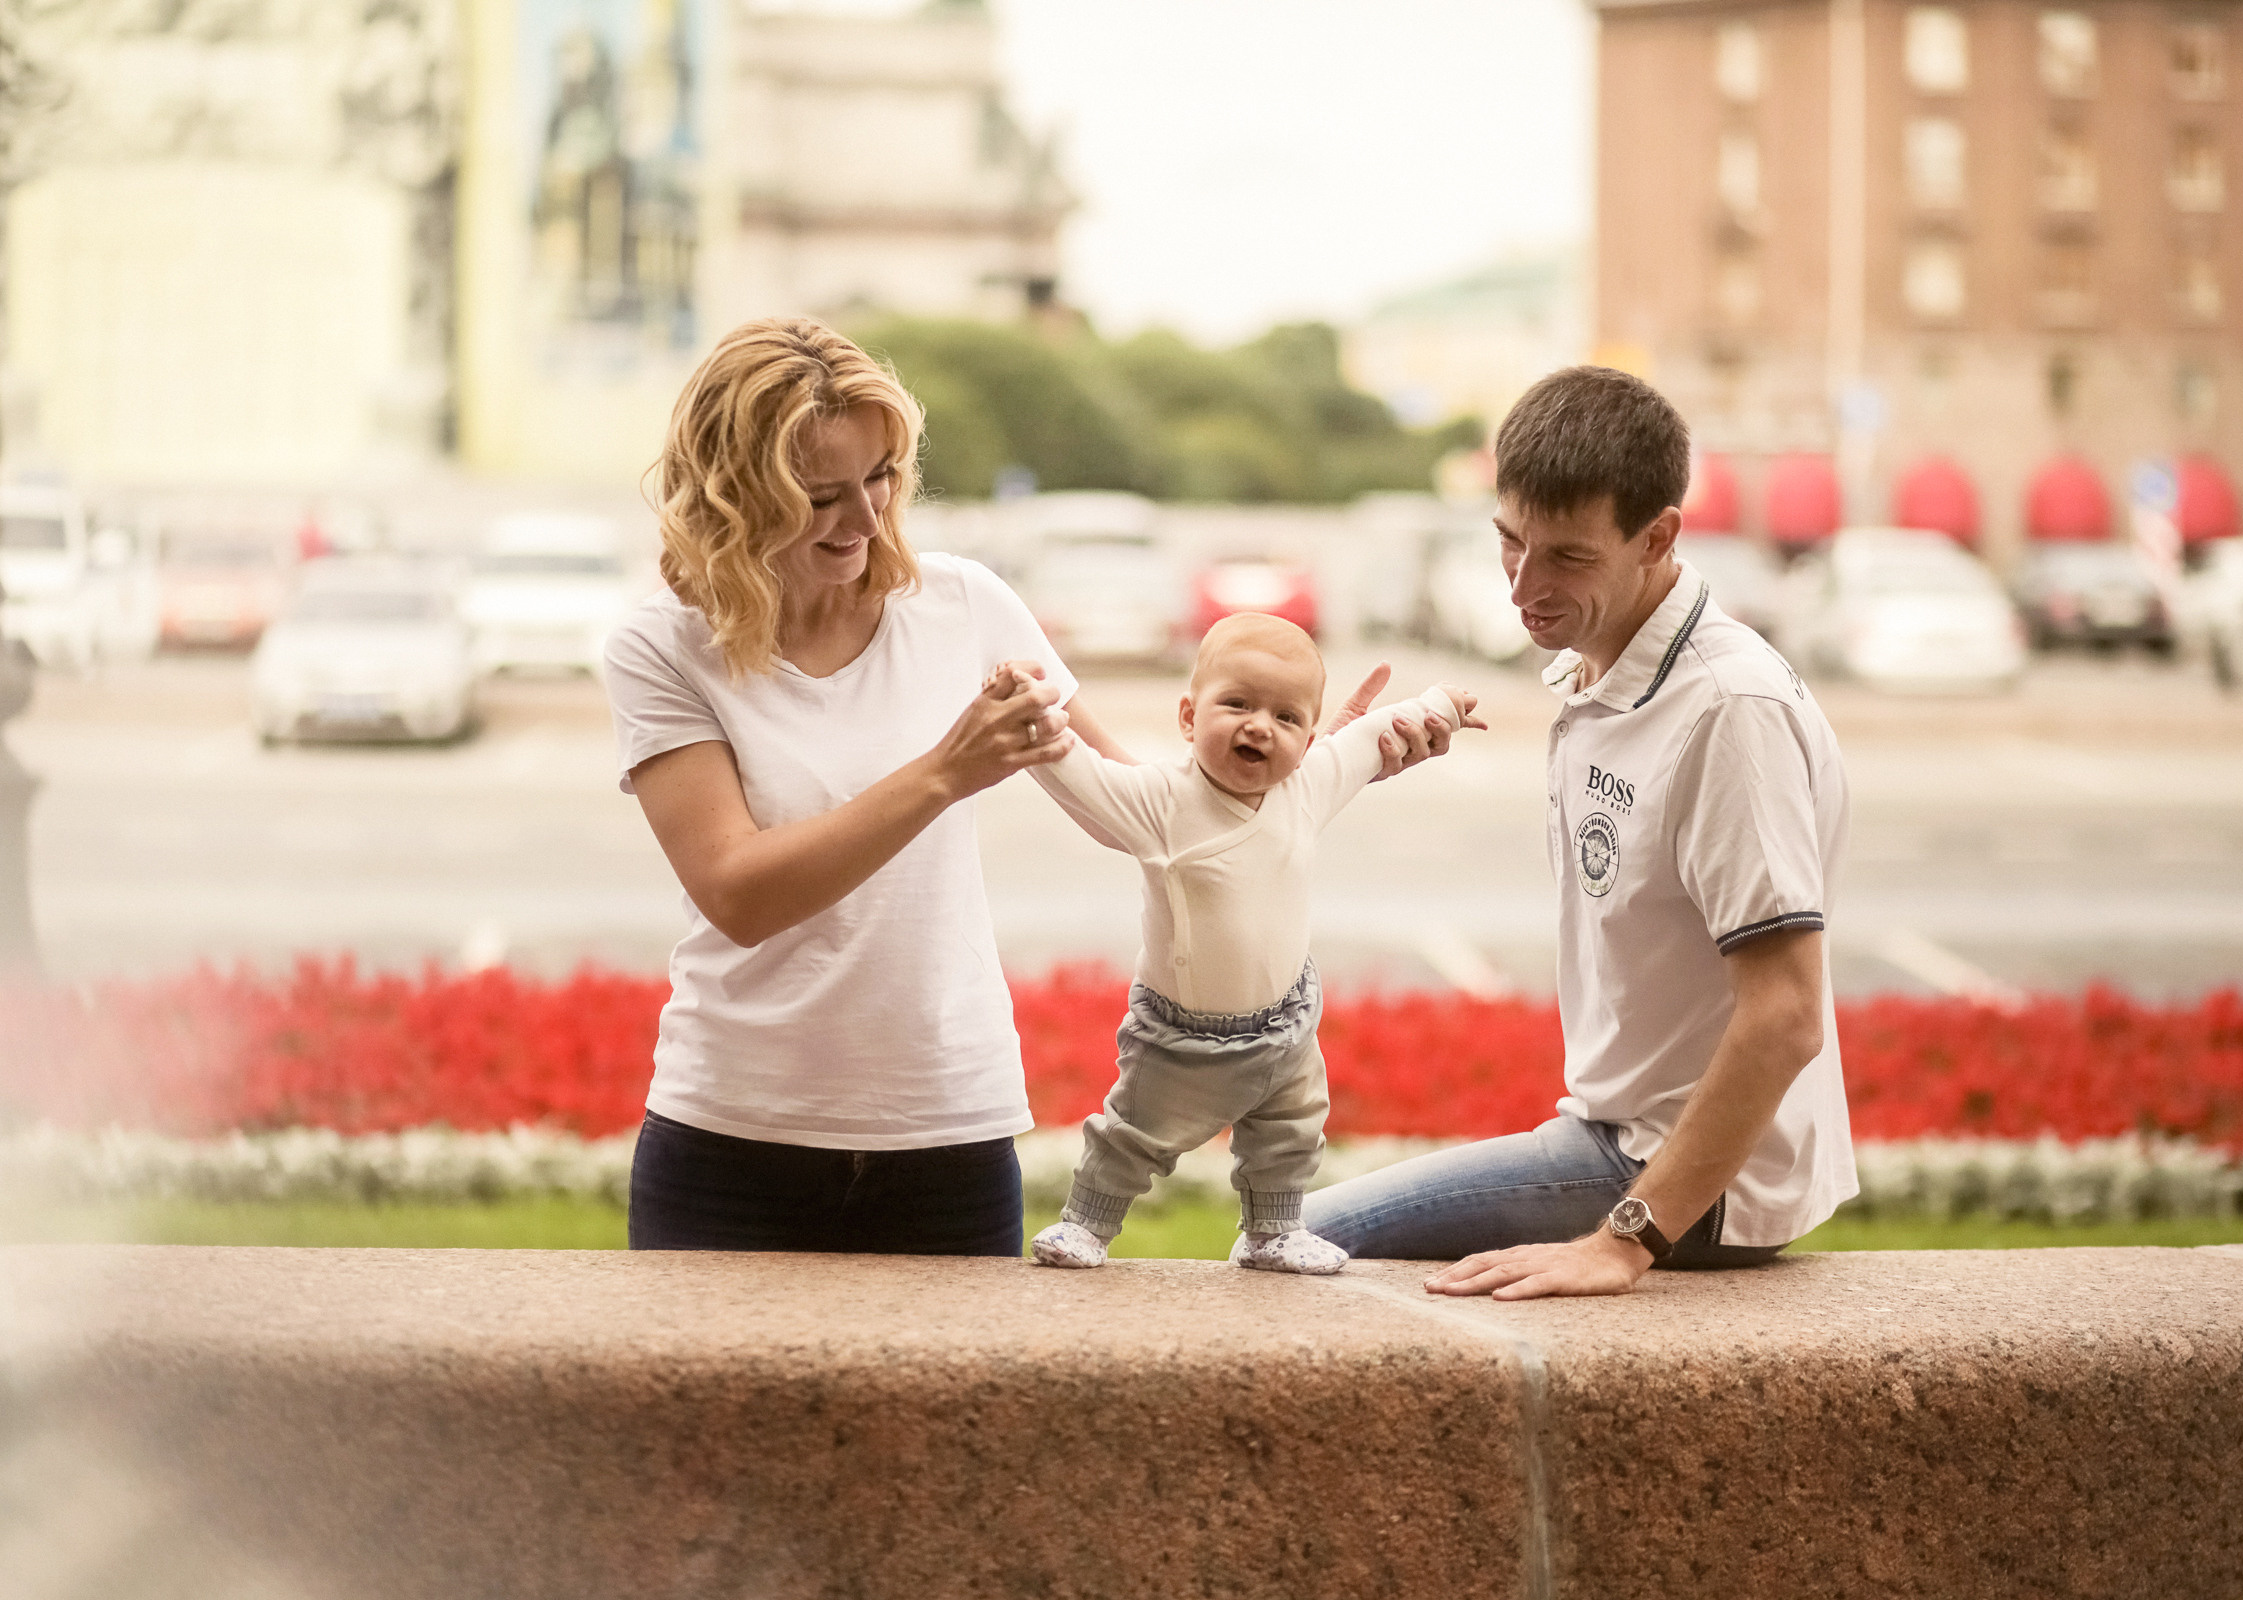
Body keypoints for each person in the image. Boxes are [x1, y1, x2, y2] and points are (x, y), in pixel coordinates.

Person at [602, 315, 1458, 1255]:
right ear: (735, 493)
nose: (866, 518)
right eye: (819, 496)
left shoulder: (965, 603)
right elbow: (737, 891)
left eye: (881, 477)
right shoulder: (660, 646)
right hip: (729, 1143)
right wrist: (943, 774)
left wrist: (1302, 764)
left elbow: (1149, 810)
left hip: (948, 1136)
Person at [1302, 365, 1857, 1298]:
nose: (1524, 586)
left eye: (1568, 557)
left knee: (1300, 1240)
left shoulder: (1726, 710)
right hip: (1616, 1137)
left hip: (1681, 1180)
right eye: (1510, 543)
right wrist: (1334, 762)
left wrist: (1622, 1241)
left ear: (1659, 538)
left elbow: (1787, 1014)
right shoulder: (1610, 668)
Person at [1013, 614, 1480, 1273]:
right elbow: (1081, 776)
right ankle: (1087, 1224)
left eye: (1286, 718)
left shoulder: (1306, 786)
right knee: (1133, 1133)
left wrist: (1439, 708)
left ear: (1309, 737)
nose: (1260, 726)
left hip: (1285, 1023)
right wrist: (1034, 722)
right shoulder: (1162, 801)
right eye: (1236, 704)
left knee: (1289, 1131)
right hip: (1183, 1034)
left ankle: (1273, 1230)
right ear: (1188, 715)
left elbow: (1373, 741)